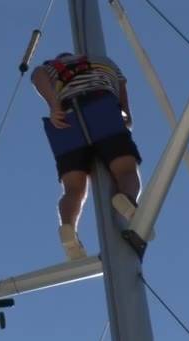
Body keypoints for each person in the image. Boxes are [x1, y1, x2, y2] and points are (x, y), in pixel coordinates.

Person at [31, 52, 146, 261]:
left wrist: (53, 105)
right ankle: (127, 200)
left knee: (73, 188)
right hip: (101, 108)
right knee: (126, 170)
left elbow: (37, 75)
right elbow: (121, 85)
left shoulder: (51, 67)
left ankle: (68, 228)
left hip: (65, 118)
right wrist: (126, 113)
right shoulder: (104, 61)